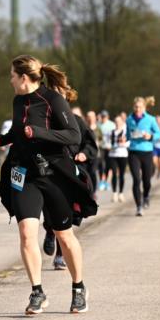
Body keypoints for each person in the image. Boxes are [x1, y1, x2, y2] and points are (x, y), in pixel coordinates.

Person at [0, 56, 97, 315]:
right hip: (25, 174)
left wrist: (39, 132)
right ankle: (37, 292)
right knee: (27, 234)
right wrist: (3, 139)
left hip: (53, 175)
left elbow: (73, 135)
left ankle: (78, 288)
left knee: (64, 236)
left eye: (12, 76)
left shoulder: (53, 100)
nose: (10, 80)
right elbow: (21, 131)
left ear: (24, 78)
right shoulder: (18, 101)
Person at [44, 105, 98, 271]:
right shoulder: (44, 120)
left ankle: (60, 256)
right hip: (50, 171)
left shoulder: (77, 121)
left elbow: (90, 143)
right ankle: (49, 230)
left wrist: (84, 153)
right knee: (48, 210)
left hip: (71, 172)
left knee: (66, 214)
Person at [127, 96, 160, 216]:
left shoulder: (150, 119)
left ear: (144, 108)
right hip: (133, 152)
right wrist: (123, 139)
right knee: (136, 180)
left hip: (147, 152)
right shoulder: (129, 119)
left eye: (140, 107)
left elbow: (158, 133)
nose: (138, 109)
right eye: (136, 107)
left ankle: (146, 195)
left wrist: (151, 137)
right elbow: (127, 135)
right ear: (133, 107)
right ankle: (139, 206)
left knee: (146, 180)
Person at [108, 115, 129, 202]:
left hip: (123, 154)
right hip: (113, 155)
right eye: (116, 121)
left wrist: (123, 144)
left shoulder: (125, 132)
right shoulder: (111, 132)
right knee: (114, 173)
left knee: (121, 174)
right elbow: (107, 142)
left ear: (122, 122)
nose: (117, 123)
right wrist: (109, 146)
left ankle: (121, 193)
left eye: (119, 121)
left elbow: (129, 143)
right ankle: (114, 193)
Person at [97, 110, 115, 192]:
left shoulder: (111, 125)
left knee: (108, 165)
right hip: (101, 147)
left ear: (107, 117)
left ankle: (107, 182)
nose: (103, 118)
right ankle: (101, 181)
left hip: (109, 148)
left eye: (105, 116)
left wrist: (112, 146)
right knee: (101, 165)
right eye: (102, 116)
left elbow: (114, 137)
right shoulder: (98, 124)